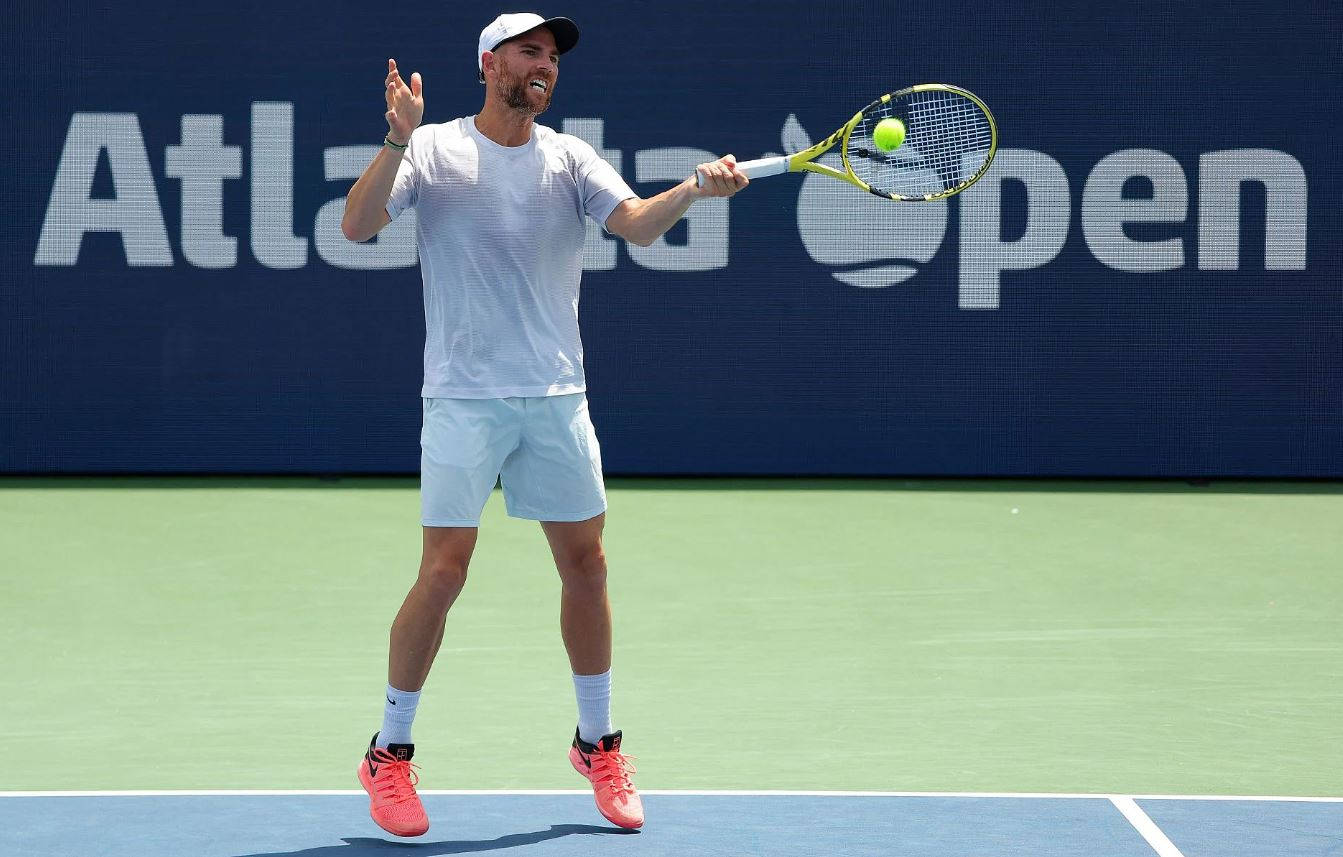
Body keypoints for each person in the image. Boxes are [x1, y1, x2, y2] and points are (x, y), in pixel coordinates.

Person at [339, 11, 747, 838]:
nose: (545, 65)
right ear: (489, 65)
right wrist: (395, 140)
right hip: (461, 396)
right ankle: (389, 752)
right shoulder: (434, 147)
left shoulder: (568, 158)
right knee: (444, 572)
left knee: (587, 565)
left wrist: (693, 192)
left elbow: (633, 224)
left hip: (557, 396)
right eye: (530, 51)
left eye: (552, 56)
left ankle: (597, 742)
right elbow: (357, 225)